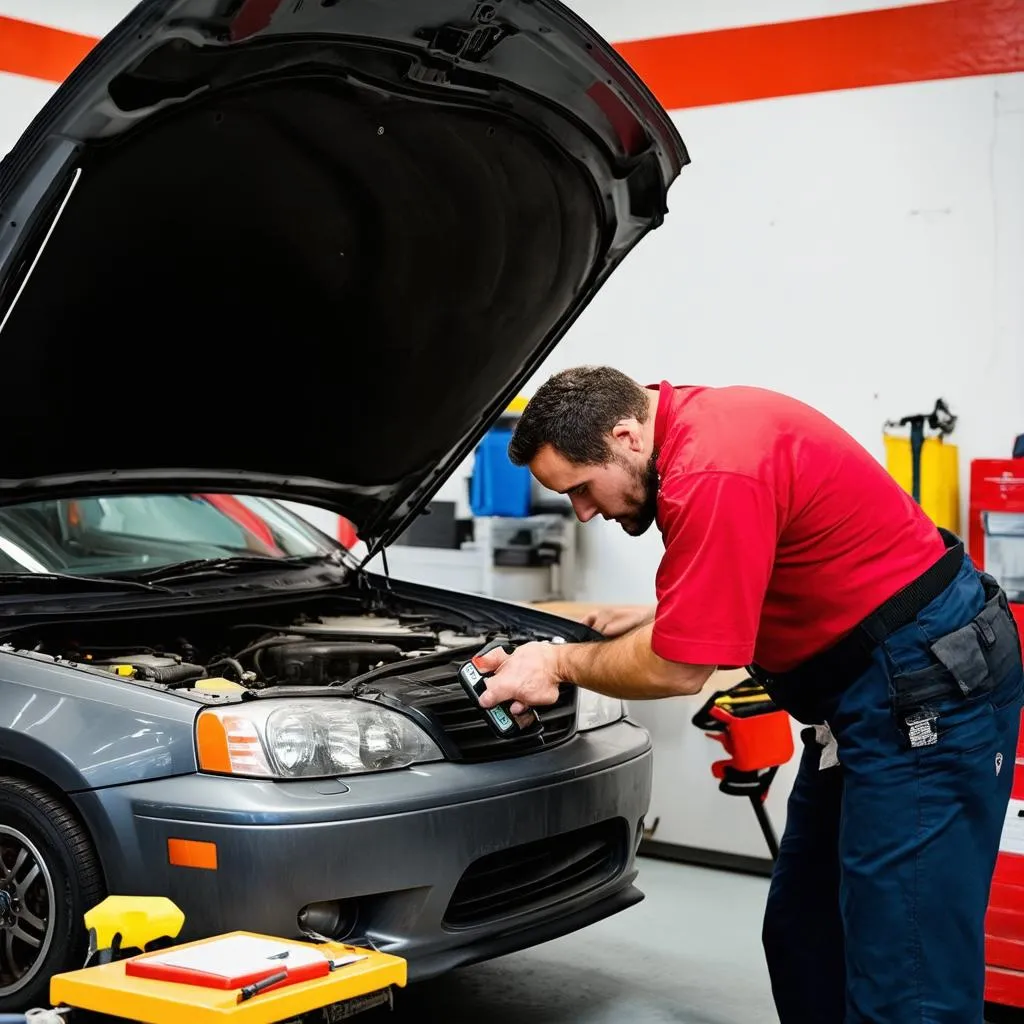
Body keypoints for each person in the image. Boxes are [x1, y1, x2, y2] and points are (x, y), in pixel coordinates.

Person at [475, 365, 1024, 1023]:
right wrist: (656, 617)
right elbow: (757, 567)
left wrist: (557, 665)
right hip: (869, 695)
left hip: (925, 690)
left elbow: (681, 669)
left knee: (908, 969)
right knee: (806, 933)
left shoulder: (710, 471)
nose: (584, 512)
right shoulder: (688, 430)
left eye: (582, 489)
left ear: (624, 435)